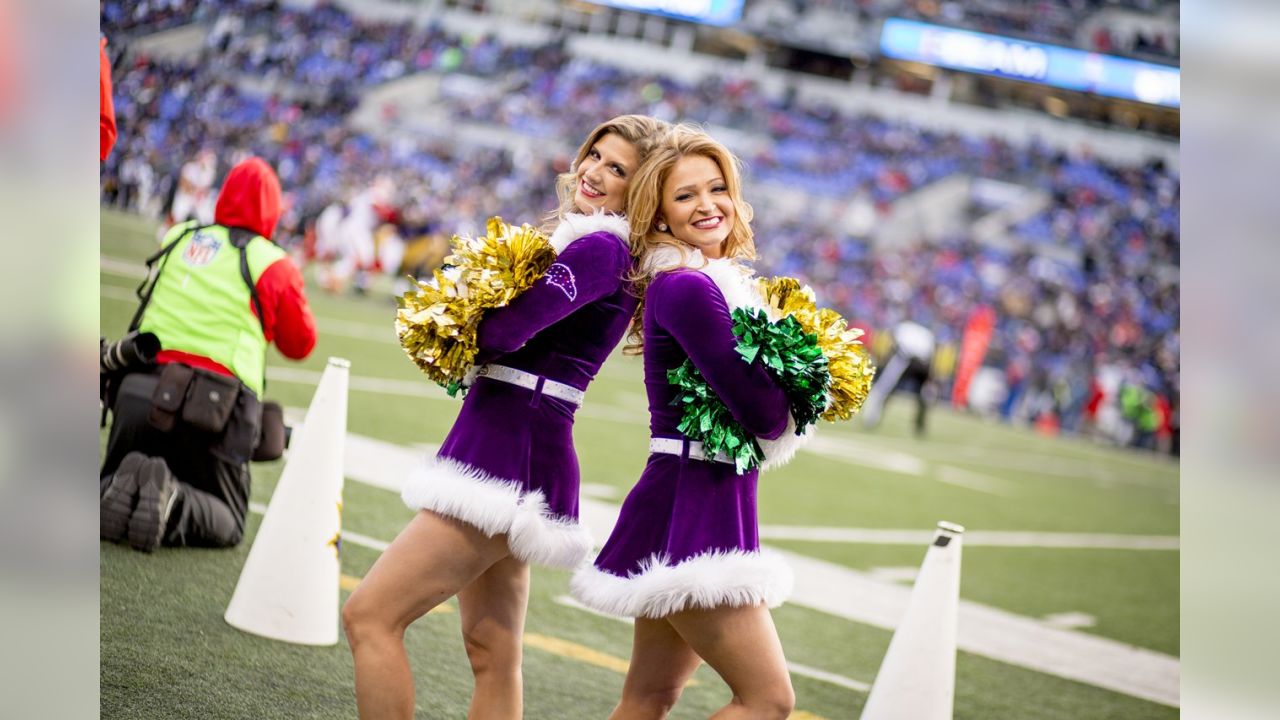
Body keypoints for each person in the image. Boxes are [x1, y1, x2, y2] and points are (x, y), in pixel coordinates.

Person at [342, 115, 671, 720]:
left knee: (370, 616)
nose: (595, 172)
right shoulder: (600, 244)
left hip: (507, 446)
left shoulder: (599, 246)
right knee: (493, 650)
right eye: (594, 155)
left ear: (640, 189)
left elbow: (507, 328)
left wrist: (461, 308)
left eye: (617, 169)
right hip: (521, 438)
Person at [570, 126, 797, 720]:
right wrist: (803, 371)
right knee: (768, 700)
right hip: (695, 506)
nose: (707, 205)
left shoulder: (708, 284)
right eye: (685, 196)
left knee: (649, 698)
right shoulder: (688, 288)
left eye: (716, 188)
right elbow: (767, 416)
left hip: (692, 494)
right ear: (661, 215)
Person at [99, 157, 317, 552]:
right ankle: (174, 499)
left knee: (108, 485)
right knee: (228, 521)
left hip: (138, 392)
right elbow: (300, 345)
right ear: (272, 209)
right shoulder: (273, 264)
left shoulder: (179, 236)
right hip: (214, 412)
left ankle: (119, 480)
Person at [860, 319, 936, 436]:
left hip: (904, 359)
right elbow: (930, 357)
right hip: (922, 363)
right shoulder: (925, 334)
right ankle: (920, 425)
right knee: (924, 395)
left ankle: (871, 419)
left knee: (882, 389)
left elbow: (894, 346)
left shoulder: (903, 328)